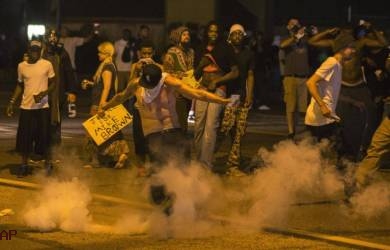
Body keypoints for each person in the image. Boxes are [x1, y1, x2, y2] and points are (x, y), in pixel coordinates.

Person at [99, 64, 230, 214]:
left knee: (182, 173)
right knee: (159, 180)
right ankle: (169, 213)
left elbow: (198, 94)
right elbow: (120, 97)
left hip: (172, 133)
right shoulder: (136, 84)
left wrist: (221, 101)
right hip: (154, 137)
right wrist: (106, 107)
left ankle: (190, 207)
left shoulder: (169, 82)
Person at [193, 21, 239, 170]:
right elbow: (196, 74)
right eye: (210, 31)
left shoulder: (225, 48)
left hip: (219, 88)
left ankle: (206, 164)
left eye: (216, 31)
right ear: (207, 32)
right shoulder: (200, 48)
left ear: (219, 34)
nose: (213, 34)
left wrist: (218, 81)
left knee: (211, 126)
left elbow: (235, 72)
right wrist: (200, 65)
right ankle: (197, 161)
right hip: (202, 88)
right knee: (198, 124)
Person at [6, 40, 55, 177]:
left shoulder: (47, 64)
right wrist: (11, 102)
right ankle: (24, 165)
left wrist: (43, 94)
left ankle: (48, 164)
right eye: (32, 50)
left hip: (42, 107)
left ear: (40, 51)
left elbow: (53, 83)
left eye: (36, 50)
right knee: (24, 139)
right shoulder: (21, 66)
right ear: (28, 50)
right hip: (26, 107)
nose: (34, 53)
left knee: (44, 137)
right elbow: (20, 85)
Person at [81, 42, 129, 169]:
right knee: (112, 133)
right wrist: (91, 84)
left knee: (93, 133)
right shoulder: (108, 66)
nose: (98, 54)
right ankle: (120, 155)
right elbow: (103, 85)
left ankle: (95, 160)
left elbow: (107, 88)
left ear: (107, 53)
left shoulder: (107, 67)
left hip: (100, 104)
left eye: (100, 52)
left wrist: (101, 105)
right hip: (105, 103)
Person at [305, 33, 356, 142]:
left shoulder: (338, 65)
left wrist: (351, 101)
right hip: (320, 119)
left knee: (327, 154)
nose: (354, 51)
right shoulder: (331, 62)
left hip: (327, 118)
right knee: (329, 152)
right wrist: (323, 106)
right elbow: (310, 83)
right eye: (351, 47)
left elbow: (330, 92)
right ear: (342, 48)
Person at [220, 24, 255, 175]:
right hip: (224, 95)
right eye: (235, 34)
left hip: (240, 95)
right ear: (230, 36)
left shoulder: (248, 53)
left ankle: (232, 165)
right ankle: (207, 161)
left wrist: (250, 94)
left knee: (239, 131)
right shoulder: (224, 52)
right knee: (224, 128)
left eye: (241, 34)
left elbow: (250, 75)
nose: (238, 36)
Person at [128, 40, 161, 175]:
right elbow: (130, 86)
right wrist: (135, 71)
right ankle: (141, 165)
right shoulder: (135, 66)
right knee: (138, 135)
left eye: (149, 53)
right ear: (139, 54)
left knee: (153, 136)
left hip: (153, 106)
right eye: (144, 53)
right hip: (139, 105)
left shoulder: (158, 67)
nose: (146, 56)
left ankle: (153, 165)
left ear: (153, 53)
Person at [41, 29, 78, 150]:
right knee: (40, 121)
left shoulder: (62, 53)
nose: (53, 39)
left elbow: (69, 73)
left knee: (55, 121)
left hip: (58, 92)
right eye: (50, 37)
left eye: (55, 37)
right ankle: (40, 149)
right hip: (41, 91)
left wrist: (72, 91)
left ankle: (55, 150)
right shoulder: (40, 52)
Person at [280, 18, 311, 139]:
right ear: (288, 27)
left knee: (301, 107)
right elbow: (282, 46)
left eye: (297, 23)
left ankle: (296, 129)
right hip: (290, 77)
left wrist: (308, 32)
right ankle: (291, 131)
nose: (295, 25)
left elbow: (315, 42)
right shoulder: (286, 39)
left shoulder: (305, 39)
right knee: (290, 107)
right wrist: (295, 37)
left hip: (304, 78)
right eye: (292, 24)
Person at [163, 26, 194, 133]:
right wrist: (181, 76)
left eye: (188, 34)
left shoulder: (191, 52)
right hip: (176, 92)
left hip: (188, 90)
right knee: (178, 121)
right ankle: (180, 145)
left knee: (184, 118)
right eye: (184, 34)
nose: (187, 36)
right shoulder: (172, 52)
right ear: (178, 37)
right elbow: (166, 73)